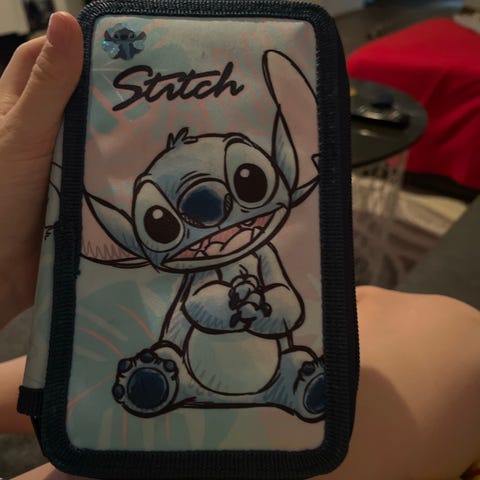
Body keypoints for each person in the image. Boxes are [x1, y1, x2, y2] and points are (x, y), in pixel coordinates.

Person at [0, 12, 479, 480]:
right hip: (200, 371)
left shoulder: (260, 255)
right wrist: (236, 307)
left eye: (248, 182)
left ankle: (281, 384)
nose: (218, 220)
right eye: (164, 223)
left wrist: (266, 308)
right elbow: (195, 307)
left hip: (260, 378)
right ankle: (178, 380)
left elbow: (286, 305)